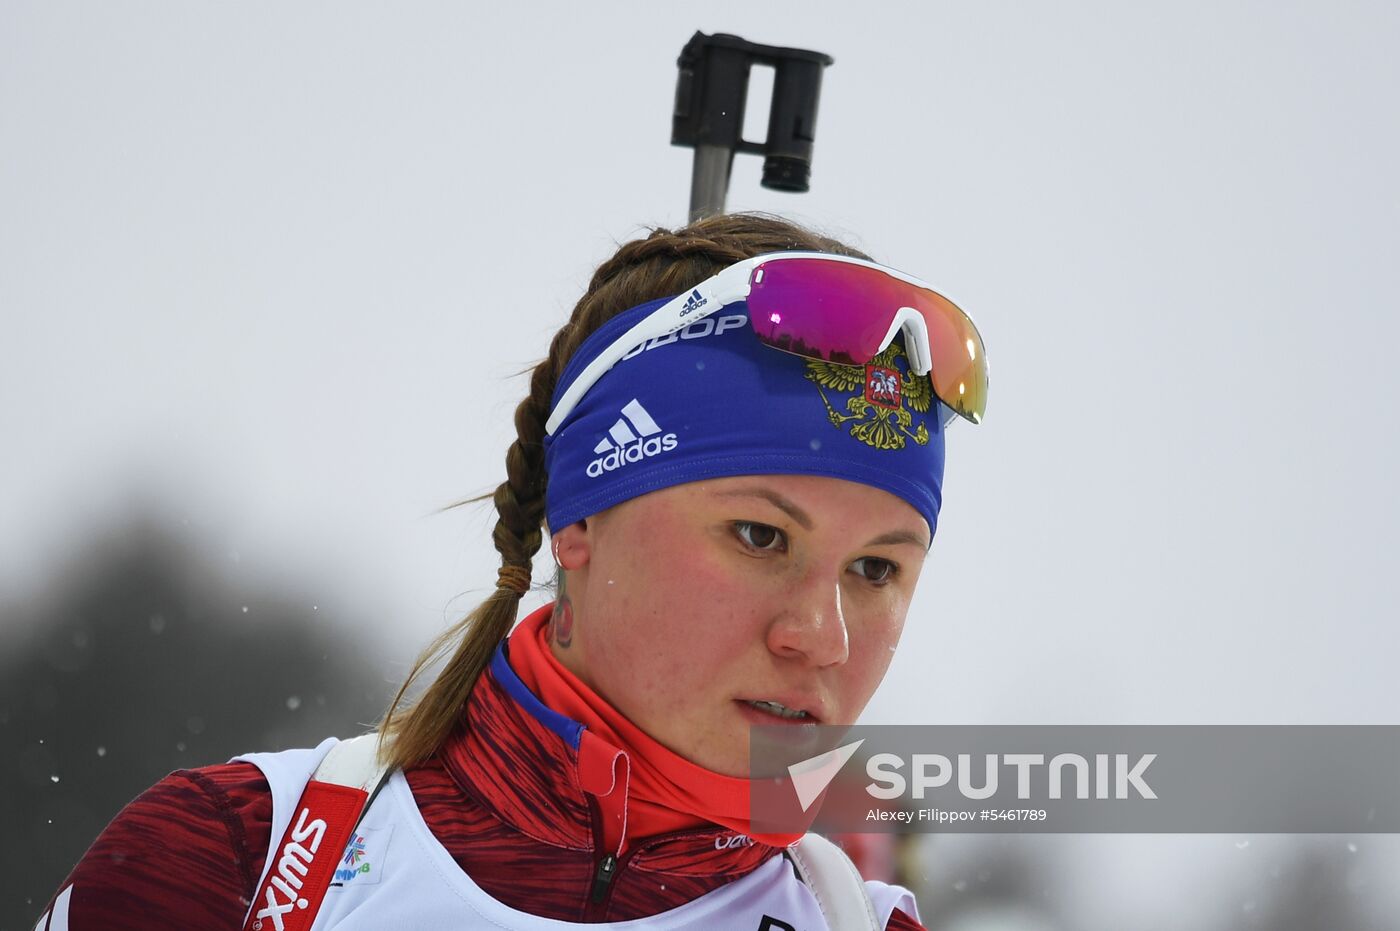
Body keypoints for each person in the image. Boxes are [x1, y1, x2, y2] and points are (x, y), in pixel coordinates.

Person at [36, 212, 987, 930]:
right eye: (759, 537)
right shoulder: (234, 861)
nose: (821, 635)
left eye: (874, 567)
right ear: (578, 523)